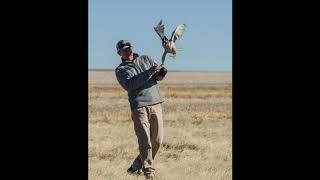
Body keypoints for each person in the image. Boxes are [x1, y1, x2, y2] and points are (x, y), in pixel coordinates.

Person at [114, 40, 167, 180]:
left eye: (129, 48)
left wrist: (161, 73)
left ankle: (136, 166)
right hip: (139, 107)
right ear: (119, 53)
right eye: (124, 50)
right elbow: (129, 85)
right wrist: (147, 73)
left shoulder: (146, 58)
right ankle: (149, 173)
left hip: (156, 102)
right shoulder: (120, 70)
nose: (127, 51)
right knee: (145, 141)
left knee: (157, 140)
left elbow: (157, 77)